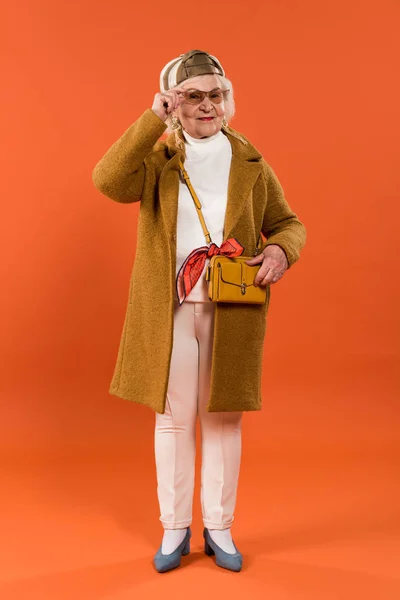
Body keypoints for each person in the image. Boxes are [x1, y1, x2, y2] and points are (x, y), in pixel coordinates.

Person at [92, 49, 307, 573]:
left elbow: (288, 223)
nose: (206, 106)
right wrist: (153, 119)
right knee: (172, 419)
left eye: (215, 95)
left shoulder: (251, 161)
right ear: (174, 100)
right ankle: (174, 528)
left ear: (226, 100)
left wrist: (280, 251)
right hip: (169, 307)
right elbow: (108, 180)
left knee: (223, 418)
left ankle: (219, 528)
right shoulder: (159, 157)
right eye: (192, 96)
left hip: (232, 307)